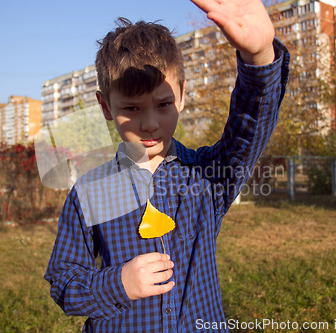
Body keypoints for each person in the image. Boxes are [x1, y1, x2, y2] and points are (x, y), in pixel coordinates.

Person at [44, 0, 290, 331]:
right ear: (105, 106)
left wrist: (259, 58)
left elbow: (249, 128)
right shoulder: (91, 192)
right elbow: (64, 281)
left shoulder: (206, 176)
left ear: (182, 95)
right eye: (131, 108)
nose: (149, 124)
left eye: (163, 104)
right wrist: (118, 283)